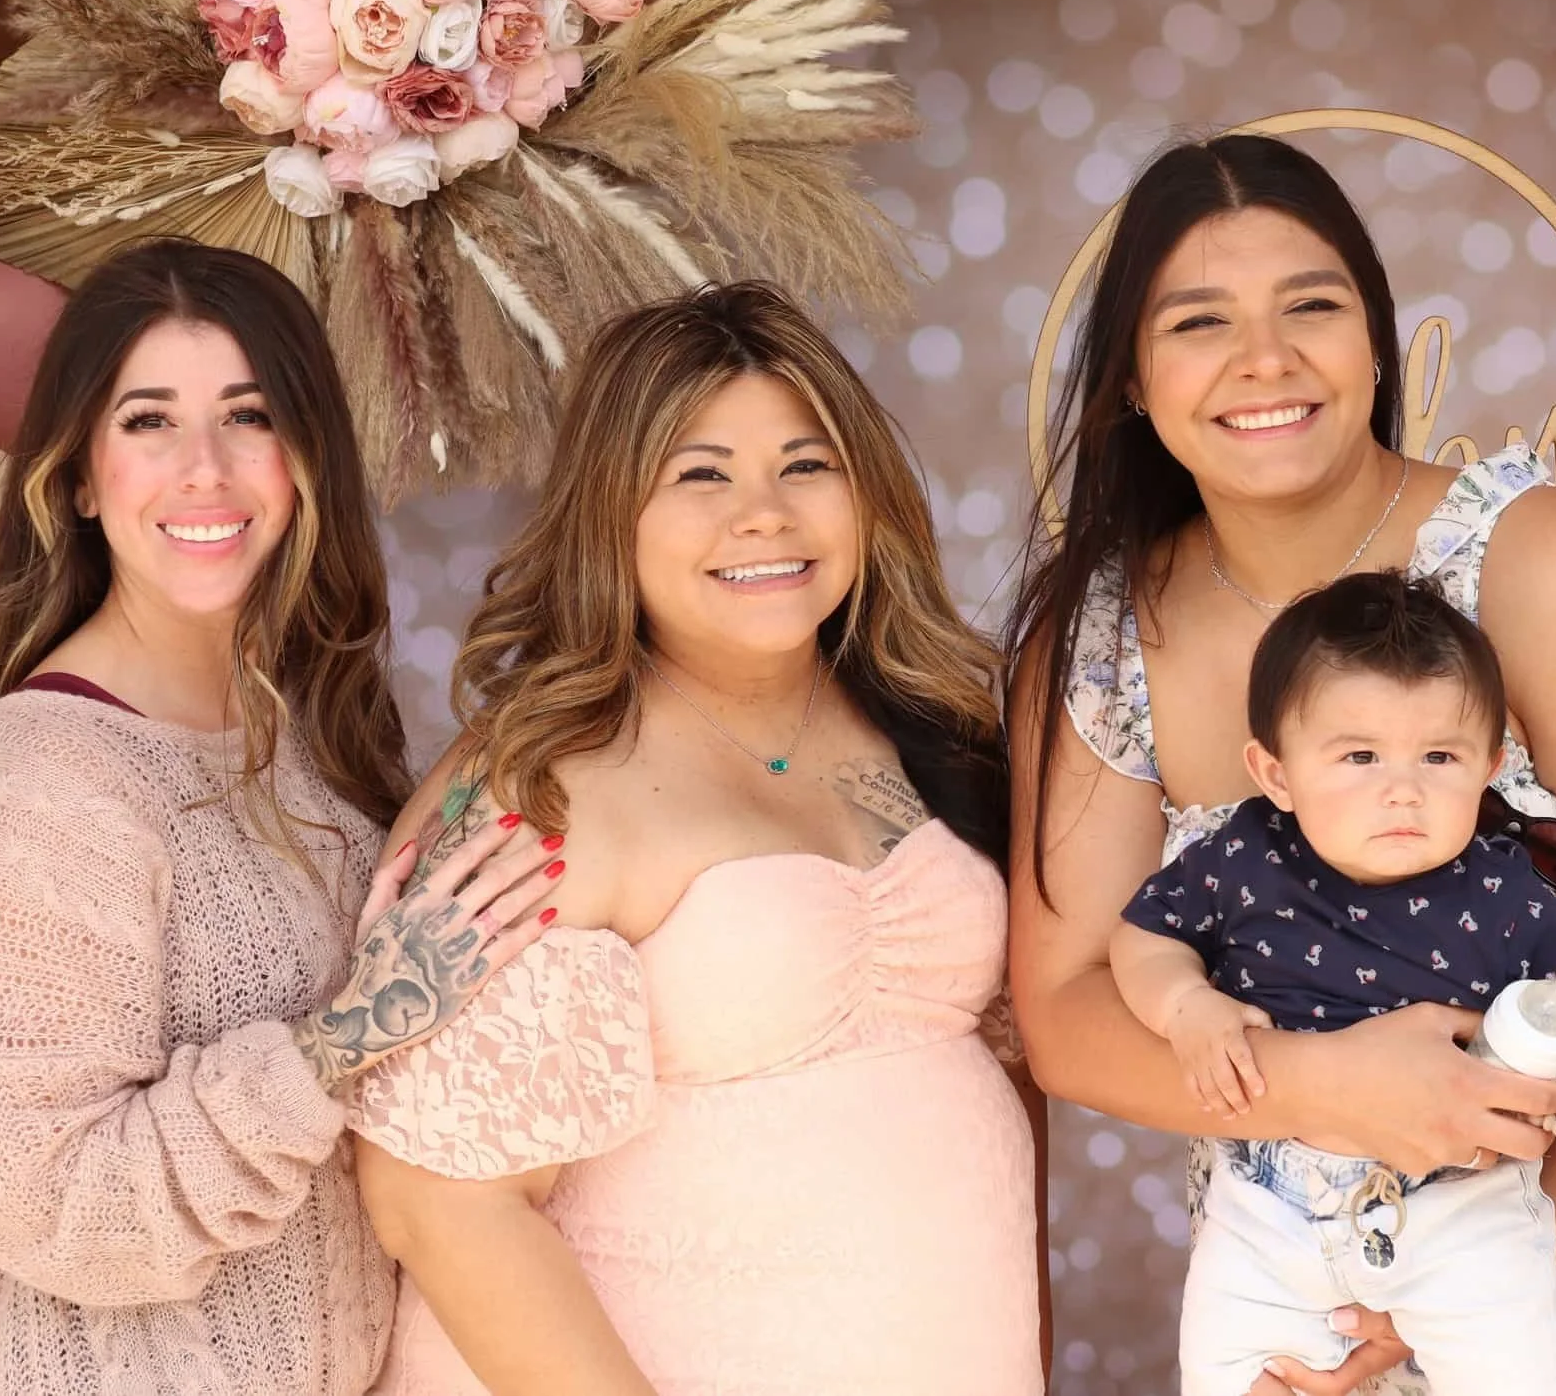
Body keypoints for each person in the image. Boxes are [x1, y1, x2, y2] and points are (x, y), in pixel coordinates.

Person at [1009, 134, 1556, 1396]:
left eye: (1309, 307)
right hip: (1304, 1285)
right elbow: (1067, 1015)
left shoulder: (1542, 564)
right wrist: (1322, 1097)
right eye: (1199, 322)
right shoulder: (1105, 633)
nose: (1264, 360)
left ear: (1375, 344)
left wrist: (1460, 1282)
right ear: (1130, 386)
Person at [0, 239, 562, 1396]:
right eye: (148, 421)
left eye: (248, 416)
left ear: (302, 462)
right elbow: (47, 1196)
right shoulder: (51, 777)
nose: (205, 469)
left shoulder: (310, 738)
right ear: (81, 476)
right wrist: (348, 1034)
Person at [349, 282, 1044, 1396]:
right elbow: (433, 1197)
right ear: (612, 511)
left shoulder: (932, 721)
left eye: (805, 465)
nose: (762, 513)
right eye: (700, 474)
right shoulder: (549, 776)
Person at [1114, 572, 1556, 1396]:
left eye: (1440, 756)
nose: (1403, 787)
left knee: (1515, 1370)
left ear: (1489, 767)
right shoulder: (1248, 857)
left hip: (1463, 1207)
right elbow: (1144, 935)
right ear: (1277, 772)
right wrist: (1186, 1006)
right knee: (1230, 1375)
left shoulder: (1501, 892)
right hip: (1268, 1203)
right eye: (1359, 755)